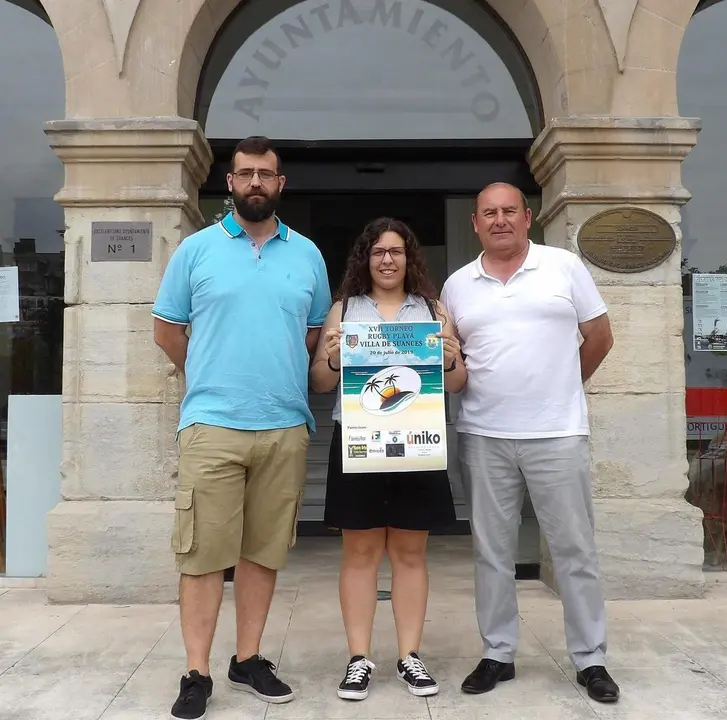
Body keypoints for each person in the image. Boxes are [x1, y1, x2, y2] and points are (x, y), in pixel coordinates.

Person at [153, 136, 332, 720]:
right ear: (229, 183)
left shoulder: (306, 254)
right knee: (203, 554)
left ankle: (248, 658)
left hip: (284, 424)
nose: (256, 182)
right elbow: (168, 331)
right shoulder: (196, 251)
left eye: (267, 175)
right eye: (246, 173)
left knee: (263, 553)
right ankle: (197, 671)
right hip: (212, 425)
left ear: (281, 185)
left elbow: (313, 334)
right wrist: (211, 373)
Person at [440, 183, 620, 703]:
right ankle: (498, 653)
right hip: (483, 436)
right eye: (489, 213)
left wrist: (560, 385)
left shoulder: (563, 267)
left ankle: (591, 660)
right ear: (475, 222)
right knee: (491, 552)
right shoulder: (457, 286)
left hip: (557, 434)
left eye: (509, 212)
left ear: (529, 217)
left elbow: (600, 337)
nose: (500, 220)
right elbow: (454, 362)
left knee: (575, 550)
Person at [310, 218, 467, 701]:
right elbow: (319, 383)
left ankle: (409, 656)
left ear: (409, 258)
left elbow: (458, 382)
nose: (387, 259)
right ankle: (359, 658)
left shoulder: (433, 310)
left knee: (409, 553)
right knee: (358, 553)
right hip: (359, 441)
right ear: (365, 257)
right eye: (378, 251)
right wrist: (333, 358)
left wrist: (449, 357)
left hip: (416, 442)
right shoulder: (345, 310)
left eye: (396, 251)